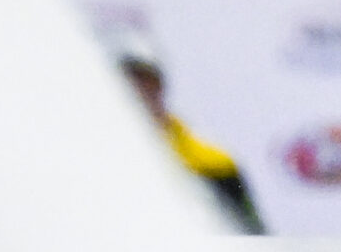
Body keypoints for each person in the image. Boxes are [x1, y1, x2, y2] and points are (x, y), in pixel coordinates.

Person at [111, 30, 263, 233]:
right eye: (126, 85)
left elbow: (255, 240)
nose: (138, 94)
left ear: (160, 88)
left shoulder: (216, 165)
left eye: (146, 83)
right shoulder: (85, 163)